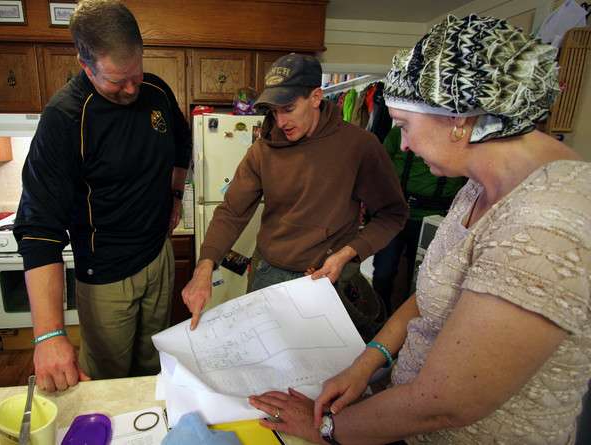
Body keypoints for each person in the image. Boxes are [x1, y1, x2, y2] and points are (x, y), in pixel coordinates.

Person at [248, 14, 591, 445]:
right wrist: (369, 361)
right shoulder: (477, 187)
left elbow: (445, 402)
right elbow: (431, 294)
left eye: (406, 126)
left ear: (459, 119)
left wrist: (327, 429)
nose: (403, 145)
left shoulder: (549, 225)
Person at [13, 0, 191, 392]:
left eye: (135, 73)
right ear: (85, 65)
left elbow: (182, 143)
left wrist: (175, 194)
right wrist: (48, 336)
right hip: (107, 276)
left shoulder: (155, 89)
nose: (131, 88)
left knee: (153, 367)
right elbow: (39, 229)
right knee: (109, 381)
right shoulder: (65, 117)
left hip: (158, 256)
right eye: (116, 80)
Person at [182, 53, 408, 335]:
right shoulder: (263, 150)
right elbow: (232, 212)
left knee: (329, 367)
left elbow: (393, 215)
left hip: (330, 277)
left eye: (288, 108)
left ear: (315, 97)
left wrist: (348, 254)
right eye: (274, 111)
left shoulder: (360, 147)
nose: (280, 121)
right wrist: (204, 267)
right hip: (269, 273)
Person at [372, 126, 466, 315]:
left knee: (422, 279)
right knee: (383, 273)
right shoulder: (398, 134)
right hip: (395, 215)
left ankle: (408, 319)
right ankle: (379, 316)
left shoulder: (458, 139)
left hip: (436, 218)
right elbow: (378, 168)